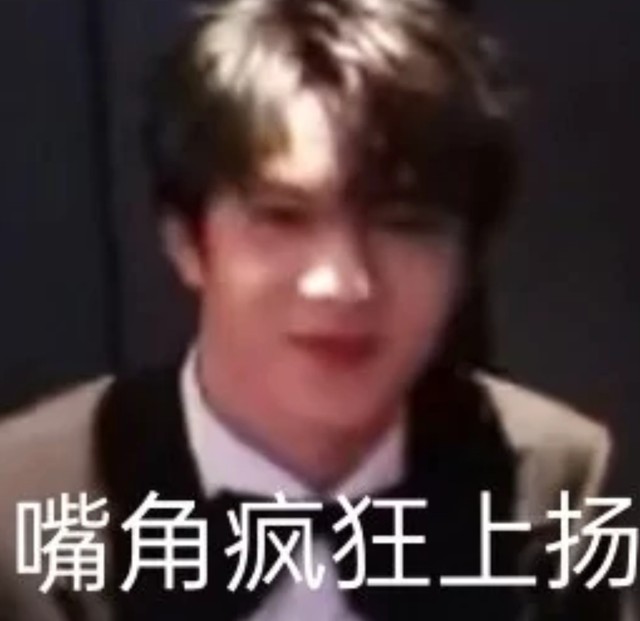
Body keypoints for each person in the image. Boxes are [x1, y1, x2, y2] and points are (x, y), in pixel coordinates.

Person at [0, 0, 634, 619]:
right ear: (187, 242)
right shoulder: (21, 504)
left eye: (404, 224)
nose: (343, 284)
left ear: (468, 259)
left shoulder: (555, 484)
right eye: (283, 217)